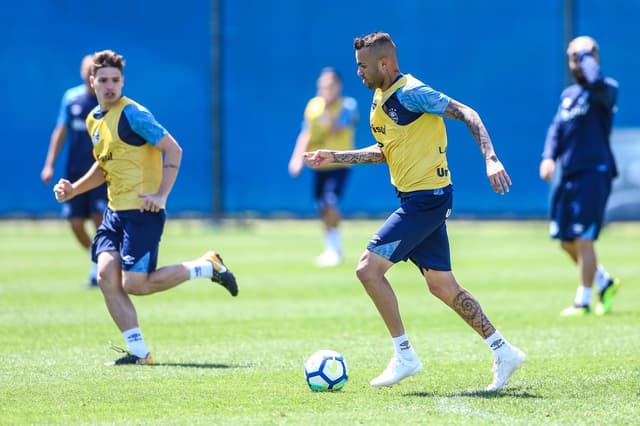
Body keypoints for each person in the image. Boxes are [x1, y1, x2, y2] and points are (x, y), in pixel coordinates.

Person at [304, 32, 525, 391]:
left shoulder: (411, 92)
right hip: (417, 200)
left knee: (367, 269)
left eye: (363, 66)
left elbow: (467, 113)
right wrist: (336, 156)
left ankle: (404, 354)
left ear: (384, 64)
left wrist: (491, 157)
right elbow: (384, 150)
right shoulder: (381, 97)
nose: (358, 72)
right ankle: (504, 351)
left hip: (428, 201)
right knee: (442, 286)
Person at [53, 49, 238, 366]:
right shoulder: (93, 120)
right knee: (106, 278)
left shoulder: (133, 114)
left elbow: (173, 149)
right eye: (104, 80)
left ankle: (208, 266)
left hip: (143, 213)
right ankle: (139, 353)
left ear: (122, 81)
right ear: (92, 82)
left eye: (115, 80)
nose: (110, 86)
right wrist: (73, 189)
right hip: (114, 215)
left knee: (135, 284)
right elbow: (103, 166)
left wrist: (162, 195)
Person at [539, 35, 620, 317]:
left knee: (584, 237)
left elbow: (595, 80)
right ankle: (603, 281)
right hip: (569, 175)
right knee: (565, 240)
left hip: (594, 173)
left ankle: (582, 302)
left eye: (582, 56)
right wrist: (548, 157)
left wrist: (585, 53)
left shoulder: (605, 90)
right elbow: (556, 131)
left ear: (594, 57)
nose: (576, 62)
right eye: (572, 57)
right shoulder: (569, 96)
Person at [41, 54, 107, 287]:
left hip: (101, 171)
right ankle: (97, 260)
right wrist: (49, 164)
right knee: (75, 222)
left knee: (100, 218)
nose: (89, 74)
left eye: (93, 70)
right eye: (86, 70)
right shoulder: (71, 98)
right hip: (75, 171)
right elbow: (60, 132)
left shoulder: (106, 102)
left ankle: (105, 266)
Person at [288, 68, 359, 267]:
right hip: (319, 166)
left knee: (330, 202)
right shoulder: (313, 106)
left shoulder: (348, 105)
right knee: (321, 208)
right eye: (322, 85)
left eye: (329, 86)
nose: (324, 89)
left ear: (338, 86)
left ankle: (335, 249)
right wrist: (296, 159)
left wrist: (327, 109)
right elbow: (306, 133)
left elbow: (338, 128)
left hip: (339, 163)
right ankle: (331, 246)